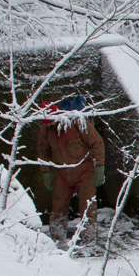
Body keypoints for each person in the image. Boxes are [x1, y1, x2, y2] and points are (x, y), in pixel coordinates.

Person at [38, 95, 105, 242]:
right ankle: (56, 239)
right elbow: (43, 150)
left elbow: (97, 143)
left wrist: (99, 167)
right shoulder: (46, 128)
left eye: (53, 122)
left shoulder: (78, 122)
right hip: (61, 173)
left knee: (87, 206)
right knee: (58, 206)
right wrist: (46, 172)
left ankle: (89, 239)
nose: (52, 126)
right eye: (48, 124)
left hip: (84, 171)